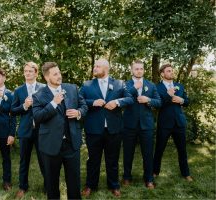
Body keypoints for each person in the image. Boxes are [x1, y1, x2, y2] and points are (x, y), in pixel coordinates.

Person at [32, 62, 88, 199]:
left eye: (59, 72)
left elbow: (84, 106)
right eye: (55, 74)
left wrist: (78, 112)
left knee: (74, 182)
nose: (59, 76)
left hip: (71, 143)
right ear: (46, 77)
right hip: (50, 145)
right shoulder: (38, 95)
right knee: (51, 183)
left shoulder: (72, 88)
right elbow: (38, 117)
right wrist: (53, 103)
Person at [80, 58, 133, 198]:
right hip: (93, 129)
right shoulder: (87, 85)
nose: (94, 68)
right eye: (94, 66)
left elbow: (130, 99)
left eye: (98, 66)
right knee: (92, 160)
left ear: (106, 68)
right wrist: (93, 102)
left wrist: (117, 102)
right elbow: (79, 101)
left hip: (114, 129)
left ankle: (114, 185)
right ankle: (90, 185)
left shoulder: (120, 83)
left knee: (113, 159)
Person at [122, 60, 161, 189]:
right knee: (128, 152)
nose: (139, 71)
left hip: (147, 125)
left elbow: (159, 102)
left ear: (144, 70)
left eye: (141, 68)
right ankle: (127, 177)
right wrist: (135, 88)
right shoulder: (125, 85)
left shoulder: (151, 85)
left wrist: (148, 100)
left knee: (148, 153)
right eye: (136, 69)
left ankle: (149, 178)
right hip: (129, 124)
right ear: (132, 70)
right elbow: (124, 98)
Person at [11, 62, 46, 198]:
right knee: (24, 160)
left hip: (41, 130)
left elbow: (49, 106)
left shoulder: (44, 88)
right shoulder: (18, 90)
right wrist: (24, 106)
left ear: (36, 73)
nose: (27, 73)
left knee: (44, 160)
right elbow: (13, 111)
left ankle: (48, 186)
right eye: (25, 71)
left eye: (30, 71)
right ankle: (22, 187)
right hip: (25, 131)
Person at [153, 64, 193, 182]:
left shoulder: (179, 86)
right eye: (168, 71)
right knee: (159, 149)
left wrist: (182, 100)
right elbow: (158, 104)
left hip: (179, 123)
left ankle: (186, 173)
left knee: (182, 150)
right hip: (164, 123)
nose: (171, 72)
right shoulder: (157, 87)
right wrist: (168, 95)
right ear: (162, 73)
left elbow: (187, 101)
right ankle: (155, 172)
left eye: (172, 70)